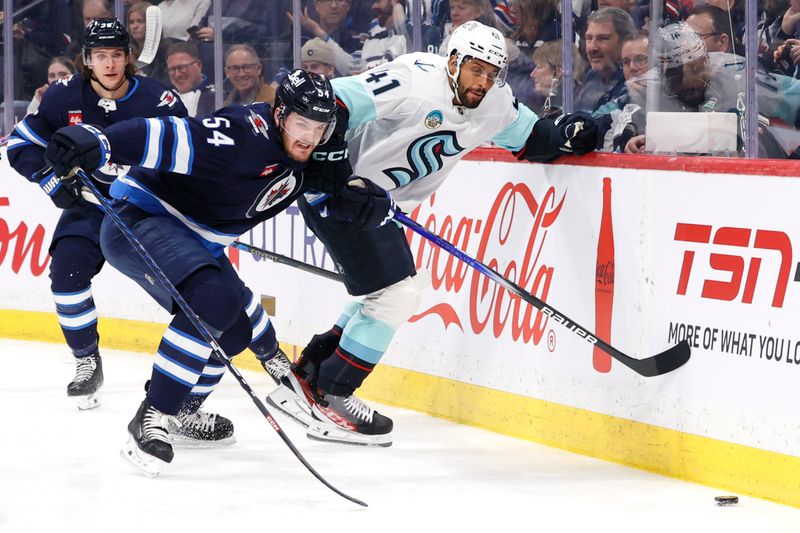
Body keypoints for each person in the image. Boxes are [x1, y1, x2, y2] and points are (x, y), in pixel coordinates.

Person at [265, 20, 598, 447]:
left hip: (377, 206)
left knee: (389, 293)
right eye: (476, 69)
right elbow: (337, 101)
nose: (484, 81)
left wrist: (574, 135)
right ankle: (332, 396)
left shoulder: (494, 100)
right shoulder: (416, 79)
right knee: (395, 295)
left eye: (492, 72)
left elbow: (532, 137)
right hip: (340, 195)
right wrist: (336, 180)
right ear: (454, 61)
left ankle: (307, 378)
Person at [42, 70, 389, 475]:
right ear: (280, 115)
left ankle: (186, 410)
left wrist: (366, 205)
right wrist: (102, 142)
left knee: (234, 330)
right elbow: (167, 136)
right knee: (212, 302)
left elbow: (330, 197)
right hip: (141, 218)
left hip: (193, 241)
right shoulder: (242, 135)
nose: (310, 137)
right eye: (301, 124)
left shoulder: (309, 153)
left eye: (319, 127)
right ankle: (154, 415)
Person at [6, 19, 187, 411]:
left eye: (116, 55)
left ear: (128, 58)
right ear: (87, 60)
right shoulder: (61, 97)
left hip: (146, 211)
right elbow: (21, 144)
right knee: (66, 276)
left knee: (188, 295)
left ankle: (186, 374)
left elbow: (188, 155)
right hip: (88, 207)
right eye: (100, 56)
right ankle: (86, 359)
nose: (109, 64)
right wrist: (49, 177)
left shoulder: (160, 101)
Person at [574, 7, 635, 113]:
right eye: (589, 38)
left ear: (626, 41)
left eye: (602, 38)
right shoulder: (591, 75)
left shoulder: (633, 81)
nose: (592, 47)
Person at [166, 41, 216, 116]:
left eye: (182, 68)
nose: (177, 75)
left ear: (199, 66)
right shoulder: (163, 95)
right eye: (172, 69)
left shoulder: (215, 97)